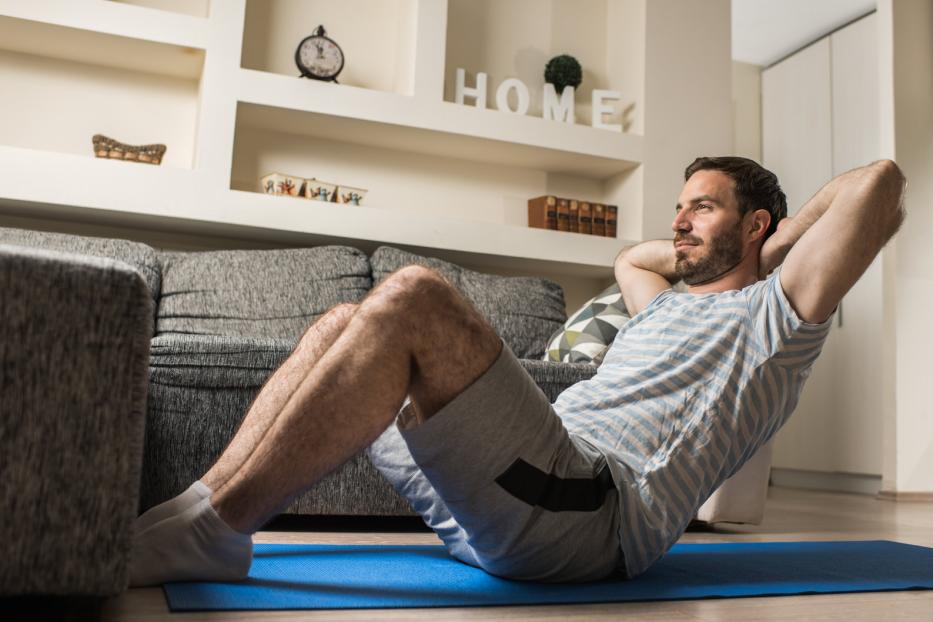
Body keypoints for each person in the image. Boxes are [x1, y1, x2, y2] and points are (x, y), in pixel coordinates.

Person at [130, 156, 906, 586]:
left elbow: (880, 184)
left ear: (756, 224)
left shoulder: (779, 317)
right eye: (679, 206)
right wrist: (701, 246)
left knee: (415, 297)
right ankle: (201, 511)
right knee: (339, 323)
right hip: (508, 496)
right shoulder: (664, 305)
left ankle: (216, 528)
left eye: (701, 207)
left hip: (585, 518)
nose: (677, 221)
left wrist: (776, 248)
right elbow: (629, 257)